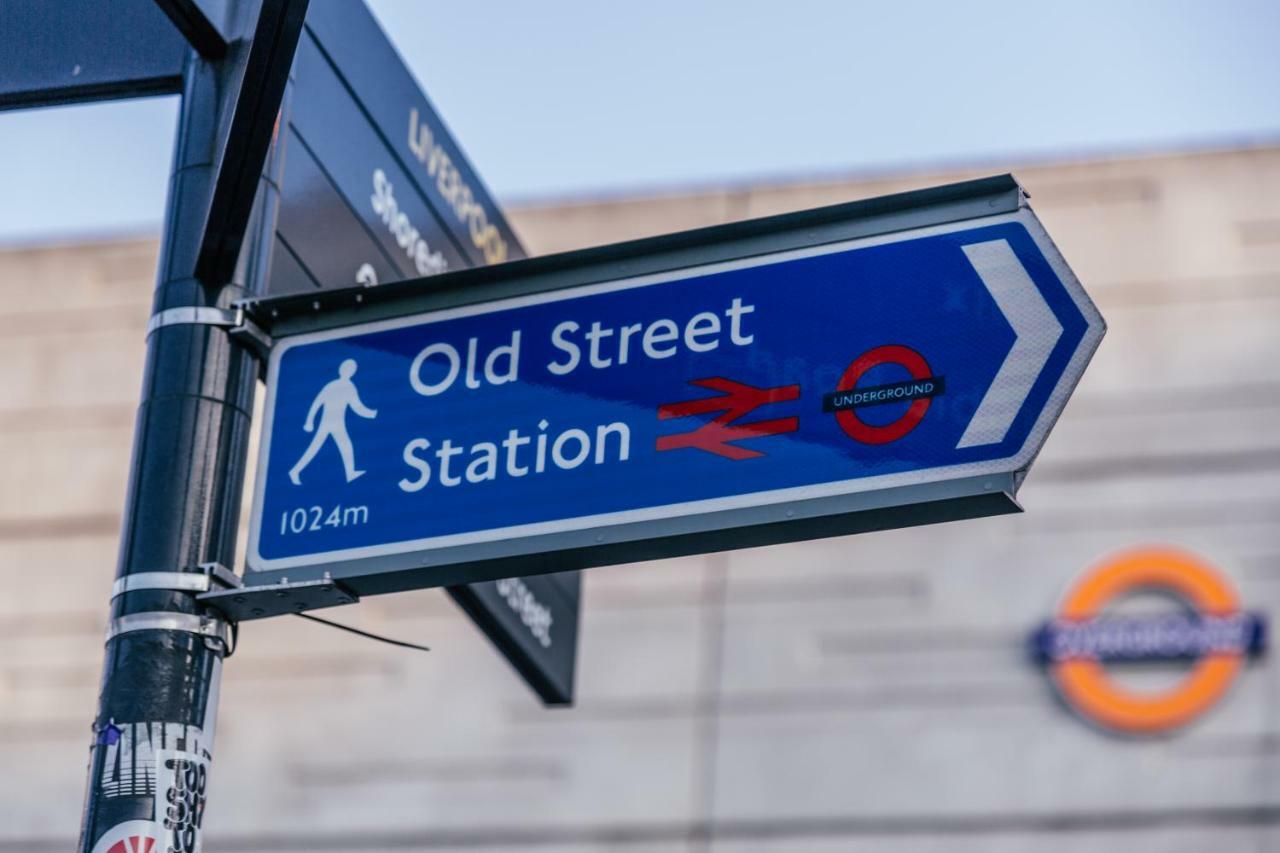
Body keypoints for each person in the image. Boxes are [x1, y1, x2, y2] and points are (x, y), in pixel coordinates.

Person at [289, 358, 378, 485]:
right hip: (329, 423)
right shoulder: (340, 386)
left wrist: (371, 414)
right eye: (349, 369)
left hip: (337, 423)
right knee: (315, 448)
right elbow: (318, 403)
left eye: (351, 369)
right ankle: (295, 471)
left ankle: (350, 473)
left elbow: (356, 406)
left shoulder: (341, 386)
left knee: (344, 445)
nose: (350, 371)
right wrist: (309, 421)